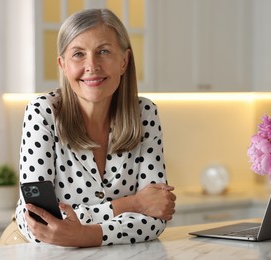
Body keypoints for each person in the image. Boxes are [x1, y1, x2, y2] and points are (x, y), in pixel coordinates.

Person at [13, 8, 176, 247]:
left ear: (124, 61)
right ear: (63, 65)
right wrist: (133, 204)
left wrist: (84, 234)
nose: (92, 65)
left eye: (104, 51)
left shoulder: (144, 113)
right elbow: (38, 221)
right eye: (78, 54)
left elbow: (156, 215)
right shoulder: (42, 112)